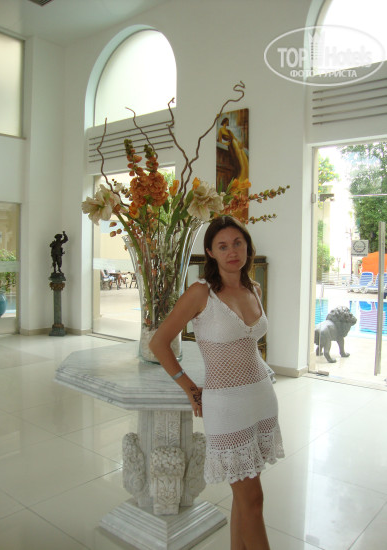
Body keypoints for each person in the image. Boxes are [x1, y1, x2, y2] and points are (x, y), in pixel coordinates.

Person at [150, 215, 284, 550]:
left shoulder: (254, 288)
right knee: (253, 499)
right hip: (225, 406)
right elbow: (159, 342)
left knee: (244, 497)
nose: (232, 251)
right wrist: (189, 387)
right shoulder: (201, 293)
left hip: (261, 397)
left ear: (247, 246)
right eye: (222, 246)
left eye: (238, 243)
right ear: (210, 252)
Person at [217, 117, 249, 182]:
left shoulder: (229, 131)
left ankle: (244, 170)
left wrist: (239, 143)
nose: (228, 123)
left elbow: (234, 138)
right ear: (224, 122)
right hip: (230, 144)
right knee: (235, 146)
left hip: (234, 143)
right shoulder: (221, 130)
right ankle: (242, 170)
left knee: (241, 152)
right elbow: (220, 141)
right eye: (227, 122)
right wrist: (227, 143)